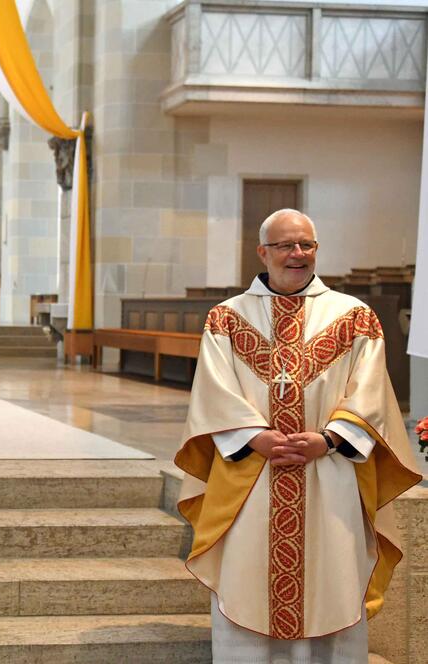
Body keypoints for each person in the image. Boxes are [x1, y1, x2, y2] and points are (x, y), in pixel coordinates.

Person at [175, 208, 421, 662]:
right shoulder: (226, 318)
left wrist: (327, 440)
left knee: (334, 578)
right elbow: (213, 391)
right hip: (251, 473)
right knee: (246, 578)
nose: (298, 254)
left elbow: (370, 394)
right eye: (287, 245)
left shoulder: (354, 317)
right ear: (263, 251)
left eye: (307, 244)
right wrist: (256, 437)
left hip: (330, 473)